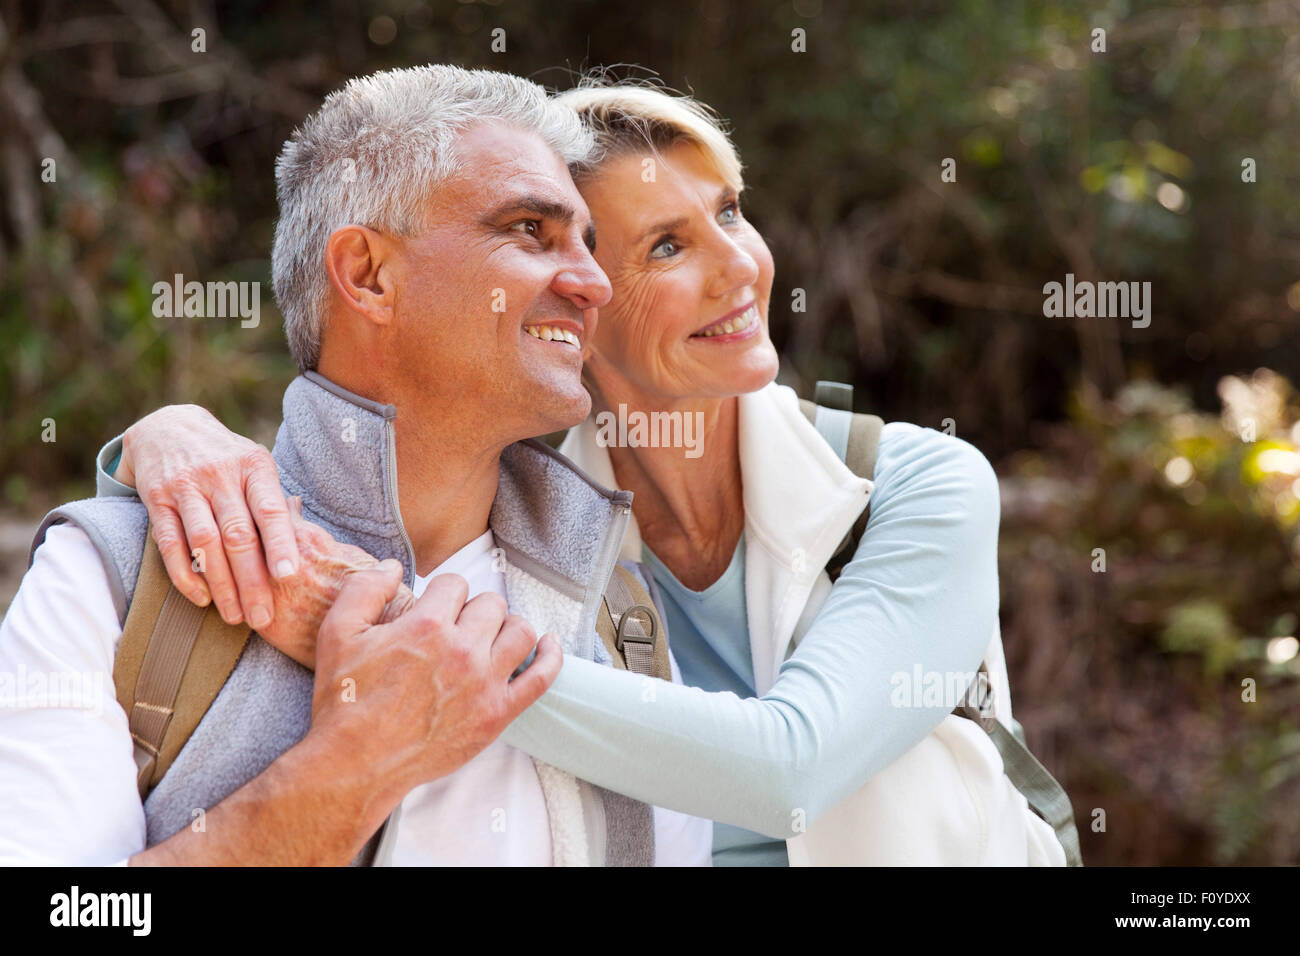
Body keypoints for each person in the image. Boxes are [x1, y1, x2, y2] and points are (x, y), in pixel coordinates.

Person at [90, 80, 1066, 865]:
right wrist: (161, 435)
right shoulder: (541, 520)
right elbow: (352, 457)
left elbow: (789, 765)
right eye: (669, 246)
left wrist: (380, 630)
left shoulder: (916, 484)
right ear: (576, 309)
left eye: (728, 212)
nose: (741, 267)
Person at [0, 65, 713, 866]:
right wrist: (355, 765)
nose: (592, 282)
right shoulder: (115, 579)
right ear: (370, 276)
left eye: (585, 243)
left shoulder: (621, 612)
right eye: (528, 231)